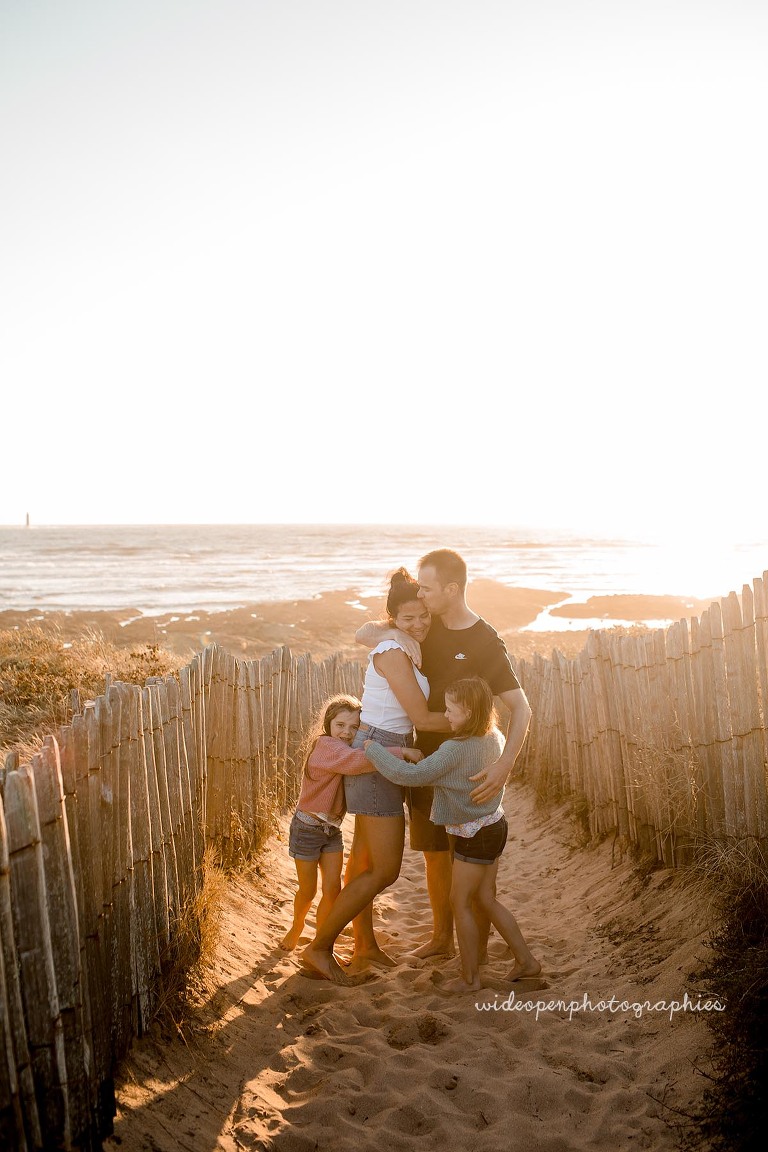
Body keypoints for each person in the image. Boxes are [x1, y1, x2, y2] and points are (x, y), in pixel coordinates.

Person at [356, 548, 532, 959]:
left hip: (470, 769)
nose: (421, 594)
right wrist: (392, 633)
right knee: (435, 854)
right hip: (426, 758)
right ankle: (441, 939)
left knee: (471, 858)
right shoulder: (423, 623)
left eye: (429, 587)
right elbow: (366, 631)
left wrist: (506, 764)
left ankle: (477, 951)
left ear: (452, 590)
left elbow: (521, 707)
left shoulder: (484, 641)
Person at [301, 568, 448, 984]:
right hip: (378, 752)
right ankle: (319, 948)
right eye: (408, 619)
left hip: (385, 747)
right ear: (393, 619)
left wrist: (399, 631)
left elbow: (369, 630)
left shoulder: (398, 641)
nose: (419, 624)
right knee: (385, 870)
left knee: (362, 862)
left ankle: (364, 945)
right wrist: (474, 724)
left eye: (424, 615)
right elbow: (420, 715)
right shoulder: (392, 652)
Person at [364, 676, 541, 993]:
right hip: (493, 825)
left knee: (460, 903)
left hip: (475, 834)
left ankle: (470, 979)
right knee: (486, 898)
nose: (444, 716)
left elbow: (411, 777)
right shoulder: (494, 737)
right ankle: (526, 962)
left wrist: (373, 749)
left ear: (469, 711)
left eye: (450, 710)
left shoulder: (453, 749)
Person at [279, 694, 417, 952]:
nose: (346, 732)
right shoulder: (326, 747)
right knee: (308, 891)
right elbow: (356, 762)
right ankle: (297, 925)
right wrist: (401, 751)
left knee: (333, 890)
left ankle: (322, 944)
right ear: (328, 724)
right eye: (340, 725)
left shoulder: (346, 747)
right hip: (307, 828)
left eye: (354, 727)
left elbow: (357, 754)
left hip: (331, 831)